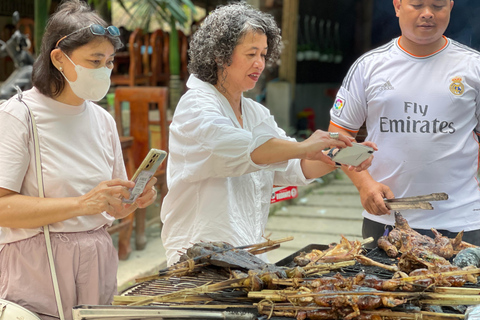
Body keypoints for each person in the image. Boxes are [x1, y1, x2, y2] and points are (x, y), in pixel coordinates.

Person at [160, 2, 377, 266]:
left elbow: (295, 167)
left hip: (248, 257)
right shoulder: (196, 105)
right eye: (251, 54)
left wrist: (344, 156)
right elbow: (247, 148)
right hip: (199, 260)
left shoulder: (255, 113)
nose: (260, 63)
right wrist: (304, 146)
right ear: (219, 55)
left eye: (263, 54)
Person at [0, 1, 157, 319]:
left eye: (110, 61)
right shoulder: (20, 115)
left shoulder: (103, 120)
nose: (105, 70)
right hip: (38, 266)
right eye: (95, 60)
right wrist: (83, 204)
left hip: (97, 262)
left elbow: (111, 206)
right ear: (59, 59)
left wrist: (132, 200)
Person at [328, 0, 480, 247]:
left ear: (450, 7)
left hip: (462, 222)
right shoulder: (369, 66)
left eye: (438, 6)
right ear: (397, 6)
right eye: (417, 4)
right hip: (386, 218)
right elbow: (338, 132)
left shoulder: (474, 66)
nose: (428, 14)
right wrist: (364, 184)